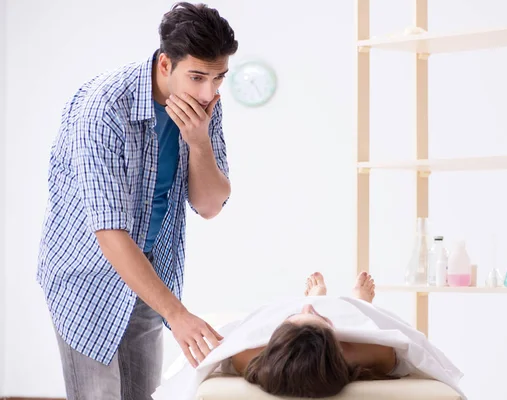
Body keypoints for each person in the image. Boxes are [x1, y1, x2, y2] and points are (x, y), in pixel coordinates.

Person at [36, 2, 237, 399]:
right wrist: (177, 315)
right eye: (197, 77)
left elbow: (211, 205)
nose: (207, 92)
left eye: (218, 78)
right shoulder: (104, 108)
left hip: (148, 274)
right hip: (86, 279)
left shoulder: (205, 107)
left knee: (143, 396)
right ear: (166, 64)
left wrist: (198, 141)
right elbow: (108, 231)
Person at [152, 271, 465, 400]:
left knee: (304, 312)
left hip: (300, 336)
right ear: (339, 346)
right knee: (349, 313)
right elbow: (404, 345)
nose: (309, 308)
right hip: (337, 330)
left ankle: (323, 298)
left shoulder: (247, 355)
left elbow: (234, 340)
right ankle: (354, 303)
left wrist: (303, 315)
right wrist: (352, 311)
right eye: (319, 316)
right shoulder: (371, 354)